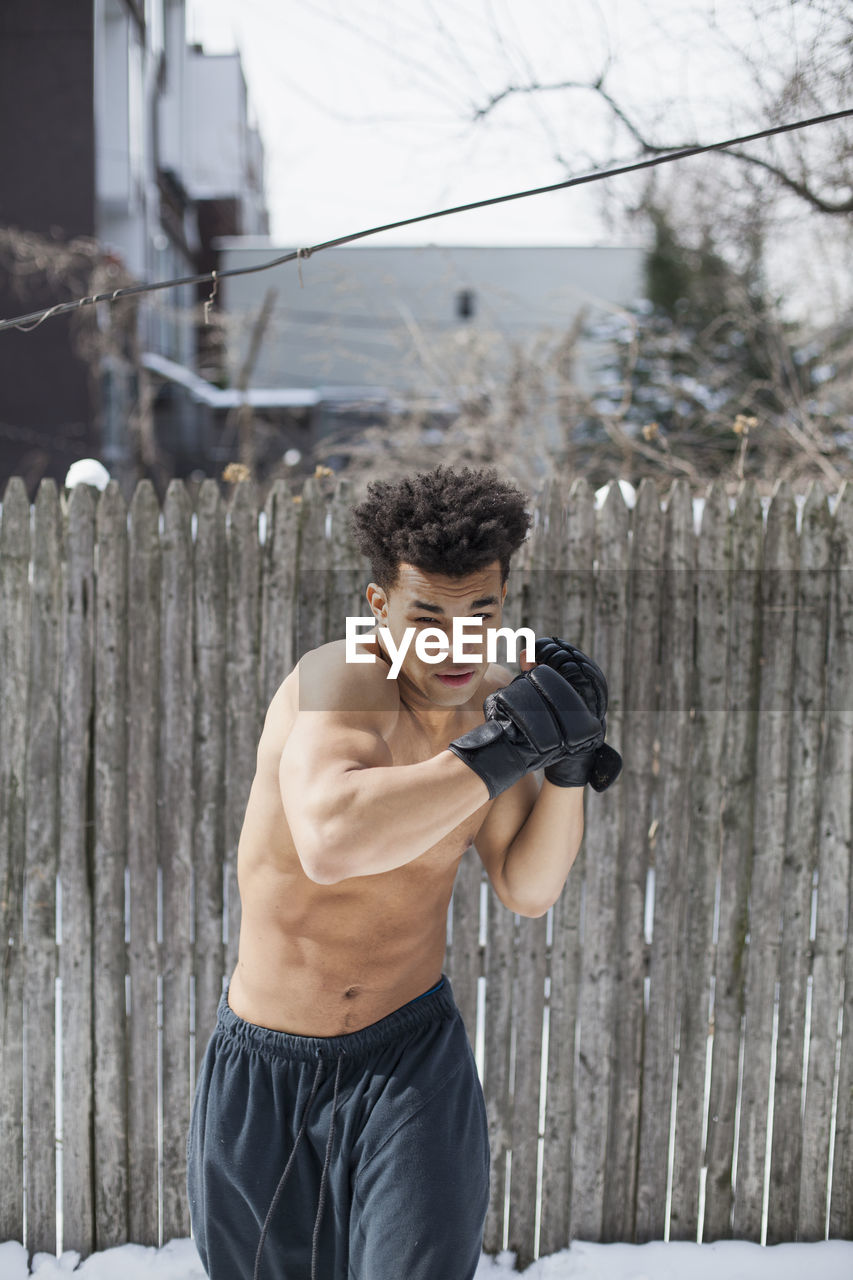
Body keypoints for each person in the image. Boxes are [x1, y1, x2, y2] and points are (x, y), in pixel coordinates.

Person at [186, 464, 621, 1280]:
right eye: (428, 615)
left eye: (480, 614)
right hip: (268, 1071)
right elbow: (333, 839)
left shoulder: (493, 711)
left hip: (410, 1062)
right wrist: (510, 747)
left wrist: (567, 764)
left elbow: (527, 889)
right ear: (378, 606)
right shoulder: (339, 678)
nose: (456, 643)